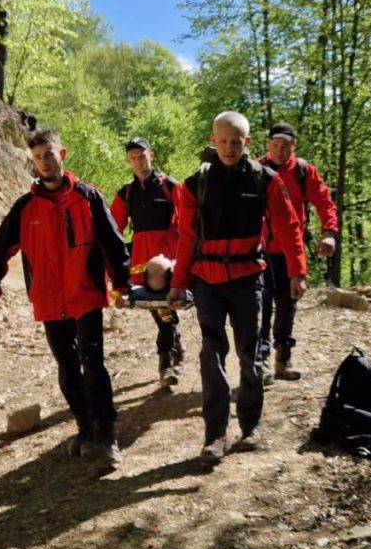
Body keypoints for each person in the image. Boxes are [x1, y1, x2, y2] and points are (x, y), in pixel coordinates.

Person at [0, 127, 132, 468]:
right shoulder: (25, 208)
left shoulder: (89, 198)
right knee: (67, 368)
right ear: (33, 163)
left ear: (62, 155)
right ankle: (84, 426)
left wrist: (122, 286)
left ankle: (107, 436)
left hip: (86, 295)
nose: (45, 163)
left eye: (49, 155)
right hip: (49, 301)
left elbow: (113, 244)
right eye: (38, 158)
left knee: (93, 364)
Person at [167, 111, 307, 463]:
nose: (229, 147)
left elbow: (289, 228)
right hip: (207, 283)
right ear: (213, 140)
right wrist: (178, 284)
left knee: (250, 355)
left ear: (247, 142)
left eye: (236, 141)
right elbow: (185, 238)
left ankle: (251, 425)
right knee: (211, 358)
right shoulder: (193, 184)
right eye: (223, 140)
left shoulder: (265, 180)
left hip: (247, 280)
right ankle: (214, 436)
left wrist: (297, 272)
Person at [257, 122, 339, 383]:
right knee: (260, 306)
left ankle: (283, 359)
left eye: (286, 146)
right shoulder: (256, 169)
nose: (280, 151)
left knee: (287, 304)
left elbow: (325, 201)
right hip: (258, 250)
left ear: (294, 146)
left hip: (290, 250)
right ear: (268, 145)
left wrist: (329, 233)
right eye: (275, 146)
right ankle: (261, 361)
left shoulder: (304, 171)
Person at [110, 137, 185, 387]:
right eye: (133, 157)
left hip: (168, 258)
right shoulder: (126, 192)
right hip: (142, 261)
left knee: (165, 306)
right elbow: (113, 229)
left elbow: (189, 216)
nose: (138, 161)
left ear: (151, 155)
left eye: (142, 155)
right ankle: (174, 348)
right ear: (127, 161)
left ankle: (167, 361)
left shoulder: (169, 185)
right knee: (159, 308)